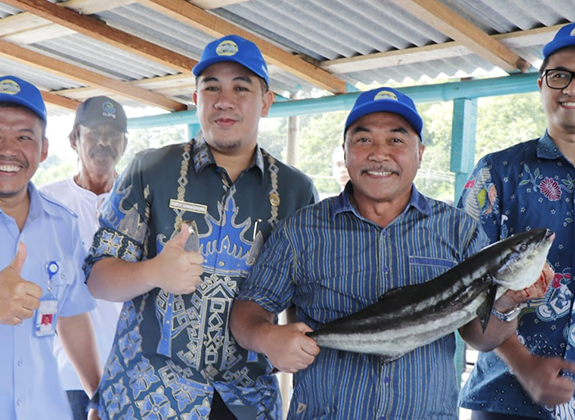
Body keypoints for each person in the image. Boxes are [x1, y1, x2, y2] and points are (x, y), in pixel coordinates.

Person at [230, 87, 553, 420]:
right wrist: (268, 337)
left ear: (420, 153)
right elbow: (248, 310)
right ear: (345, 151)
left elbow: (480, 339)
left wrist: (505, 304)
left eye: (397, 140)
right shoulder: (301, 230)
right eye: (364, 140)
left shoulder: (459, 229)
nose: (379, 154)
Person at [84, 34, 318, 420]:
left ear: (266, 101)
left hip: (247, 403)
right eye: (211, 87)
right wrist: (154, 271)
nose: (224, 100)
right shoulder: (150, 169)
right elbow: (97, 276)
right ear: (196, 99)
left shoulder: (296, 190)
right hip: (149, 398)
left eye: (241, 87)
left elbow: (303, 301)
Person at [458, 22, 575, 420]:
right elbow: (466, 288)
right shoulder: (497, 173)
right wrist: (523, 363)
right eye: (560, 75)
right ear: (540, 84)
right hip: (508, 398)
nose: (571, 89)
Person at [0, 76, 101, 420]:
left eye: (24, 137)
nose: (8, 149)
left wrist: (97, 395)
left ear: (43, 149)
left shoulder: (62, 226)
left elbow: (71, 315)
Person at [40, 96, 128, 420]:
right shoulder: (46, 201)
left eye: (114, 133)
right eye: (94, 133)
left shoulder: (138, 204)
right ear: (74, 140)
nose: (103, 142)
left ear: (124, 144)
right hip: (63, 373)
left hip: (128, 372)